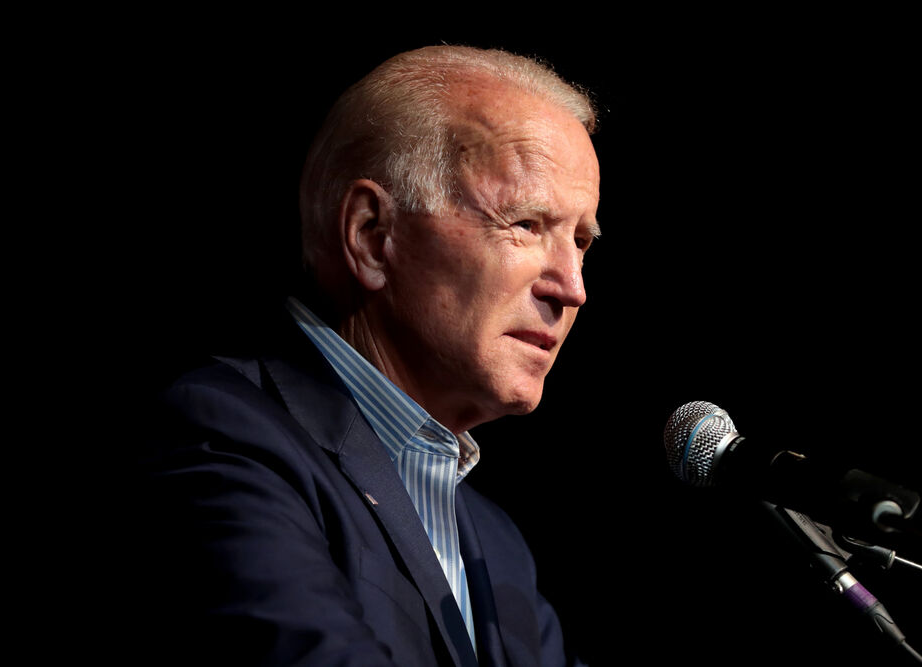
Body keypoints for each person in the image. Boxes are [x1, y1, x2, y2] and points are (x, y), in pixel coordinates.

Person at [131, 44, 600, 666]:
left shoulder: (498, 546)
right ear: (373, 237)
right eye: (526, 225)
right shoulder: (220, 437)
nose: (572, 288)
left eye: (582, 241)